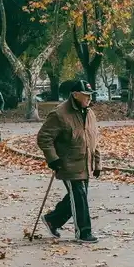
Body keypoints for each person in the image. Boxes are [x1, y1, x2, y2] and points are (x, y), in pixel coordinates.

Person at [36, 79, 101, 243]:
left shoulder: (90, 113)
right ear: (75, 94)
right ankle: (84, 233)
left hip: (85, 163)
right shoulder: (59, 114)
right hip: (68, 163)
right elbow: (44, 137)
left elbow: (93, 139)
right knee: (79, 196)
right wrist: (53, 159)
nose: (89, 98)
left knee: (79, 195)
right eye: (86, 95)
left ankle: (52, 220)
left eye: (90, 95)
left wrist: (97, 163)